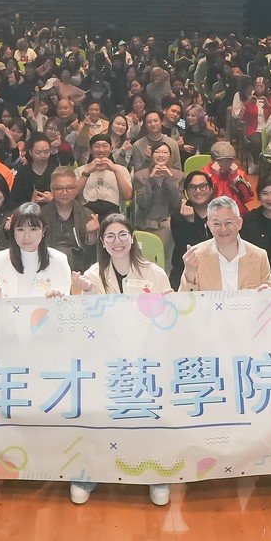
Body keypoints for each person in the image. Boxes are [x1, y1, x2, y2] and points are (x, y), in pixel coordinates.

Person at [65, 213, 174, 506]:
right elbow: (83, 323)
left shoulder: (154, 273)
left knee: (149, 415)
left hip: (147, 358)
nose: (117, 242)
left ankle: (156, 475)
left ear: (132, 238)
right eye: (110, 236)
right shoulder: (92, 275)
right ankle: (88, 475)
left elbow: (170, 318)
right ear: (102, 242)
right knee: (98, 415)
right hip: (106, 360)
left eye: (123, 235)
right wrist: (84, 291)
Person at [178, 196, 271, 292]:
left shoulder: (259, 256)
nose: (223, 229)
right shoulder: (196, 256)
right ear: (209, 225)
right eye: (216, 224)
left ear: (239, 223)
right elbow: (184, 300)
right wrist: (189, 273)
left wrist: (268, 294)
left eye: (228, 223)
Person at [0, 202, 73, 298]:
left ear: (43, 231)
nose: (26, 236)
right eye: (20, 229)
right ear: (13, 231)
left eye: (33, 229)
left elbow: (66, 302)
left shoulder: (59, 260)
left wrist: (58, 300)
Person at [131, 142, 184, 265]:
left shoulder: (179, 176)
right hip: (145, 223)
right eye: (157, 152)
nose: (161, 155)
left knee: (166, 261)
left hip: (169, 224)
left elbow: (177, 204)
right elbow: (142, 203)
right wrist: (151, 180)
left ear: (170, 156)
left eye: (165, 152)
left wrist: (170, 180)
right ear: (151, 155)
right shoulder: (140, 176)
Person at [41, 167, 100, 272]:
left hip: (80, 270)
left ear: (76, 189)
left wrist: (92, 235)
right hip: (48, 268)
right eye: (59, 188)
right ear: (52, 190)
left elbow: (94, 255)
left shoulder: (87, 215)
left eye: (70, 188)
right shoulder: (41, 216)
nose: (65, 192)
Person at [170, 170, 215, 286]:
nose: (198, 191)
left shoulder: (219, 213)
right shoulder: (178, 215)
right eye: (192, 187)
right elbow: (185, 250)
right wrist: (190, 222)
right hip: (185, 269)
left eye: (203, 186)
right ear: (186, 192)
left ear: (211, 189)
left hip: (215, 267)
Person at [74, 134, 133, 219]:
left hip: (113, 213)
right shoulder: (79, 170)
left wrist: (116, 170)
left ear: (111, 149)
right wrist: (87, 172)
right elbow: (74, 195)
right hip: (86, 212)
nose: (101, 150)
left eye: (105, 146)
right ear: (90, 149)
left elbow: (127, 196)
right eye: (97, 146)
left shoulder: (121, 170)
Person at [203, 141, 256, 215]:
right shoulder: (204, 174)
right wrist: (215, 177)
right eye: (220, 161)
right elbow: (204, 199)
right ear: (213, 160)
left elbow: (247, 198)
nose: (224, 165)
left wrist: (235, 178)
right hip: (213, 212)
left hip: (235, 212)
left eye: (228, 161)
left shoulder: (239, 174)